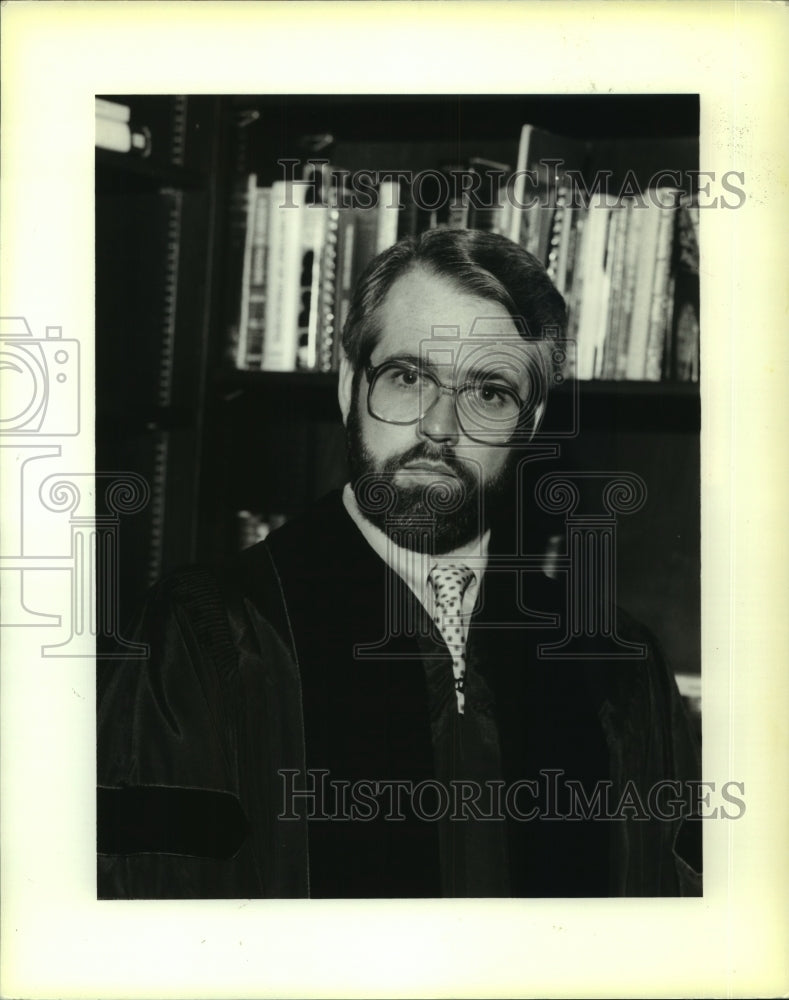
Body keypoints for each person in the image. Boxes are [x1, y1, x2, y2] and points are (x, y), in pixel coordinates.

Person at [97, 228, 701, 899]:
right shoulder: (209, 635)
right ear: (349, 384)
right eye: (408, 377)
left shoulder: (612, 666)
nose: (439, 427)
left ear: (528, 426)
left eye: (489, 393)